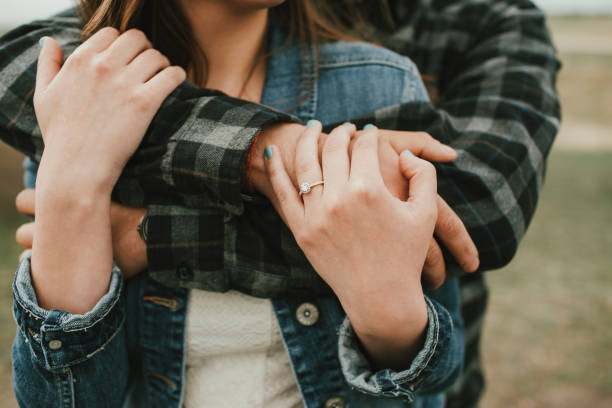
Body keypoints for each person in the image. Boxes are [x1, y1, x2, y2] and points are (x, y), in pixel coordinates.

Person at [0, 0, 561, 406]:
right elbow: (64, 398)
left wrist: (153, 234)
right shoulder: (79, 89)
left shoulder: (380, 85)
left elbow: (475, 222)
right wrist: (73, 190)